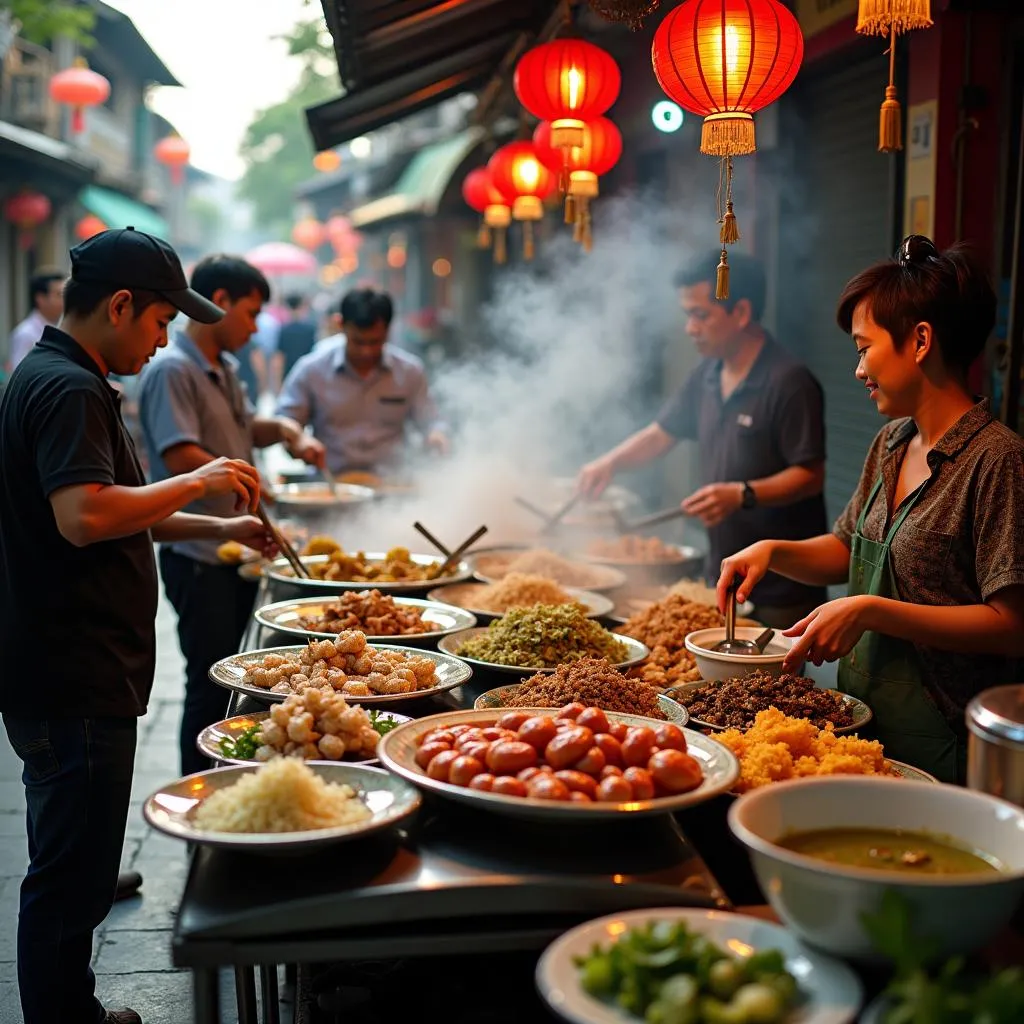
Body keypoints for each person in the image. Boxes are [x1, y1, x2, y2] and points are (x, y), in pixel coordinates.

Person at [0, 227, 274, 1024]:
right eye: (159, 321)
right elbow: (85, 516)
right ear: (120, 306)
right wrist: (197, 476)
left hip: (75, 665)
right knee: (65, 873)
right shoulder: (69, 388)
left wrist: (211, 528)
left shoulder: (64, 375)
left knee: (77, 860)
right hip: (70, 668)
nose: (163, 340)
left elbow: (119, 512)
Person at [717, 236, 1024, 784]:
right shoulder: (890, 442)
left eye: (864, 348)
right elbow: (847, 549)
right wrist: (772, 551)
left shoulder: (998, 461)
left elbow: (1010, 625)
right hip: (862, 726)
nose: (858, 369)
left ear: (921, 340)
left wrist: (871, 610)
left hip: (948, 746)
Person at [138, 255, 325, 776]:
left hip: (235, 547)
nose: (255, 325)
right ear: (219, 302)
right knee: (209, 684)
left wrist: (286, 431)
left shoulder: (225, 368)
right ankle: (200, 790)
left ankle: (233, 776)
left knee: (237, 679)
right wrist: (237, 474)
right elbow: (179, 456)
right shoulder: (174, 370)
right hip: (198, 554)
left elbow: (242, 430)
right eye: (250, 311)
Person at [577, 252, 828, 628]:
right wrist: (608, 464)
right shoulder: (708, 373)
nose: (690, 328)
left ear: (741, 312)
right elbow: (661, 434)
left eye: (701, 315)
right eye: (687, 315)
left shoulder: (789, 381)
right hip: (724, 573)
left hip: (781, 587)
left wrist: (742, 493)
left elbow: (811, 475)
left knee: (773, 687)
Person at [277, 287, 449, 476]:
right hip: (331, 483)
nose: (366, 351)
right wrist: (298, 443)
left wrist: (436, 435)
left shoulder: (409, 372)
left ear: (388, 330)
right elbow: (286, 422)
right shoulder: (312, 369)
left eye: (375, 341)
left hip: (391, 485)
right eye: (358, 341)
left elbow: (431, 420)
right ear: (340, 325)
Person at [8, 267, 65, 371]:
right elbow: (19, 374)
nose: (64, 300)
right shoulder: (25, 334)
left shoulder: (61, 327)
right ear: (41, 299)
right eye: (58, 295)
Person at [275, 292, 317, 383]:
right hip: (306, 374)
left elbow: (279, 357)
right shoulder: (310, 329)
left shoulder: (284, 329)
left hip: (288, 373)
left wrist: (278, 382)